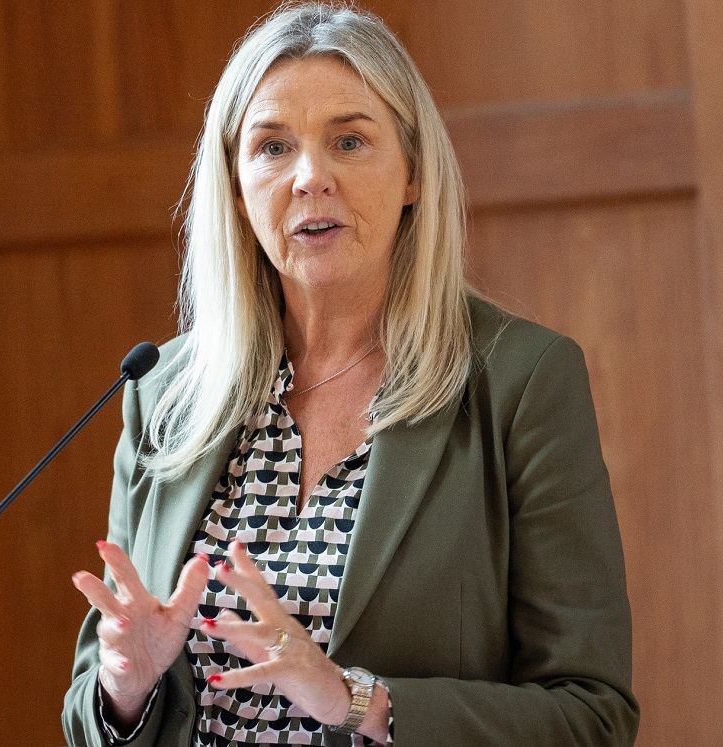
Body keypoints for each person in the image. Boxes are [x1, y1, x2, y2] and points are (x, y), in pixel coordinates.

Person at [62, 3, 637, 745]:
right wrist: (124, 691)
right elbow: (88, 712)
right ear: (236, 191)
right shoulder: (167, 393)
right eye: (272, 146)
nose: (310, 177)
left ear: (413, 174)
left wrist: (355, 699)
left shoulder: (520, 383)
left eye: (350, 140)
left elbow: (593, 716)